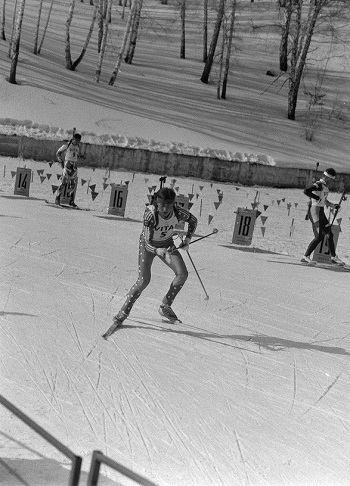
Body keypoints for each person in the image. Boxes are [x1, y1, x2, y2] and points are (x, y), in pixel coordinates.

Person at [103, 187, 198, 337]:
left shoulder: (178, 212)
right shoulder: (150, 214)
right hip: (148, 247)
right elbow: (147, 242)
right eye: (162, 205)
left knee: (182, 274)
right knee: (144, 280)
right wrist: (157, 251)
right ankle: (123, 311)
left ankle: (165, 306)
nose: (165, 209)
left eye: (169, 205)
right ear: (156, 203)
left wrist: (187, 240)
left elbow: (193, 220)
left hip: (167, 243)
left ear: (173, 204)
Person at [301, 167, 343, 265]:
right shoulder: (319, 185)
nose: (331, 182)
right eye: (331, 179)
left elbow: (324, 201)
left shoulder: (325, 187)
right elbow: (306, 191)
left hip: (321, 212)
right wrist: (316, 197)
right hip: (315, 212)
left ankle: (333, 257)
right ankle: (305, 256)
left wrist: (334, 205)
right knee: (319, 236)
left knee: (329, 234)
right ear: (327, 177)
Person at [55, 133, 82, 208]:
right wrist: (61, 161)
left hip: (74, 166)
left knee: (73, 184)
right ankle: (57, 198)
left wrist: (80, 156)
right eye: (76, 140)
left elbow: (75, 154)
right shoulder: (67, 145)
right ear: (73, 139)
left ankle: (71, 201)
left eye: (79, 141)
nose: (77, 142)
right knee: (63, 182)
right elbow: (58, 153)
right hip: (67, 166)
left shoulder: (78, 146)